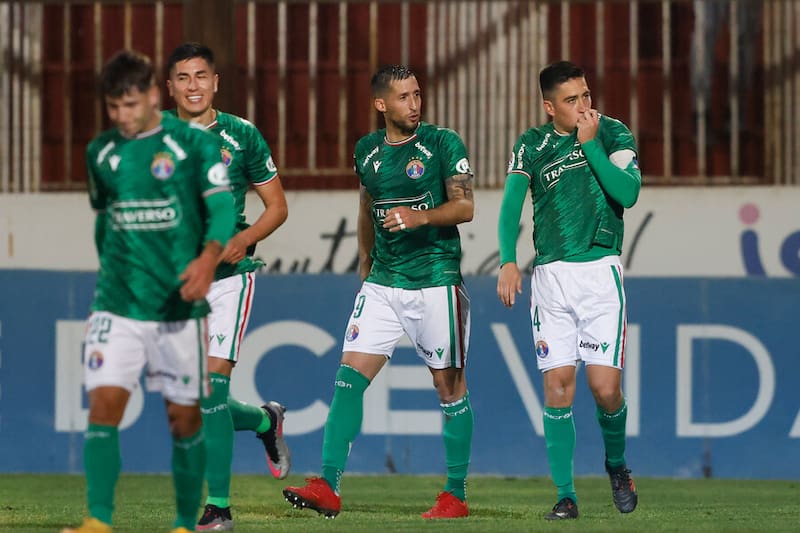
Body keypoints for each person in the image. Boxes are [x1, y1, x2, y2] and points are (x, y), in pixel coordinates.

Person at [283, 64, 475, 520]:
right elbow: (366, 204)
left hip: (436, 279)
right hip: (384, 283)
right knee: (348, 377)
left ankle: (455, 495)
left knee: (449, 386)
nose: (415, 104)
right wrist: (365, 258)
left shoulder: (443, 143)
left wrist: (419, 216)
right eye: (404, 97)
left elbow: (465, 206)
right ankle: (328, 486)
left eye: (417, 94)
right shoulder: (366, 150)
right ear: (381, 104)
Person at [62, 49, 236, 533]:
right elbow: (105, 220)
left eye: (131, 105)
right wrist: (109, 278)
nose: (122, 116)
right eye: (113, 107)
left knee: (184, 420)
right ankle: (97, 521)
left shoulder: (192, 143)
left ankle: (183, 523)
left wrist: (208, 259)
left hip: (178, 307)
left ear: (154, 96)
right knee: (103, 405)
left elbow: (222, 208)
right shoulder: (100, 153)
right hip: (117, 304)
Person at [496, 61, 641, 520]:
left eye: (586, 95)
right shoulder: (531, 145)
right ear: (549, 107)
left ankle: (616, 464)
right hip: (551, 278)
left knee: (605, 389)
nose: (583, 105)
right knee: (558, 387)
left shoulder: (612, 132)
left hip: (599, 273)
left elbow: (628, 193)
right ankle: (566, 496)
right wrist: (507, 259)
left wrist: (591, 144)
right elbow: (510, 206)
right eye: (571, 100)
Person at [165, 42, 291, 532]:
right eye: (183, 77)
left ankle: (218, 507)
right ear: (170, 87)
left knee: (213, 386)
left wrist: (243, 238)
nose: (193, 85)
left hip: (229, 280)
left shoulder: (241, 135)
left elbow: (277, 207)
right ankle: (265, 421)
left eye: (201, 76)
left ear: (216, 82)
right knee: (199, 403)